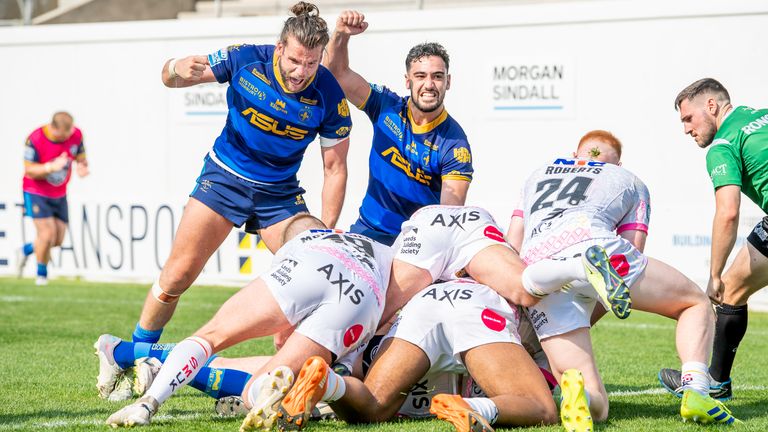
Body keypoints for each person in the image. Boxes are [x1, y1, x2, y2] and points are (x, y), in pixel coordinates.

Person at [123, 1, 352, 357]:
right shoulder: (246, 59)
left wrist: (329, 228)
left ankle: (295, 370)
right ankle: (137, 358)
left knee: (318, 266)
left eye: (311, 63)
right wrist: (174, 68)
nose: (300, 72)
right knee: (177, 276)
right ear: (280, 49)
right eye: (294, 60)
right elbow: (170, 79)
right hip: (225, 177)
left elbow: (335, 168)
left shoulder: (329, 94)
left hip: (280, 193)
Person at [507, 130, 739, 426]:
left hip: (540, 268)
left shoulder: (536, 175)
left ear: (575, 152)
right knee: (694, 303)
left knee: (599, 407)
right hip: (595, 247)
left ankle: (577, 393)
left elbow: (513, 243)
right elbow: (633, 249)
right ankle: (696, 391)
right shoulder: (627, 178)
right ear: (615, 162)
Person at [103, 214, 393, 429]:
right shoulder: (373, 246)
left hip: (310, 264)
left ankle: (147, 401)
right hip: (362, 296)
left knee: (210, 338)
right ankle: (287, 392)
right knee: (257, 387)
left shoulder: (302, 242)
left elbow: (281, 338)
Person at [271, 279, 559, 432]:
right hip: (475, 306)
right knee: (540, 407)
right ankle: (473, 408)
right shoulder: (502, 270)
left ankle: (331, 383)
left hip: (423, 305)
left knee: (373, 405)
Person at [658, 78, 768, 401]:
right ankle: (717, 380)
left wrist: (714, 276)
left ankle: (716, 384)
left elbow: (728, 213)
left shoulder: (723, 144)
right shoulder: (760, 116)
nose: (686, 130)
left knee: (730, 289)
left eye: (688, 118)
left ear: (712, 106)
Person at [324, 10, 473, 245]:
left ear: (448, 82)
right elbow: (334, 74)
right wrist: (341, 35)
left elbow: (446, 221)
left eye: (437, 76)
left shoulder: (455, 144)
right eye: (420, 76)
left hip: (414, 245)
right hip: (367, 233)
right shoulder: (386, 106)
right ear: (408, 81)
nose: (429, 84)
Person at [16, 111, 89, 285]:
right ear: (54, 129)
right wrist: (50, 167)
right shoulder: (35, 139)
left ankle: (26, 250)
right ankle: (41, 275)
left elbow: (80, 156)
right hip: (36, 191)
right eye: (64, 135)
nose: (68, 138)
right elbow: (29, 170)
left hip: (59, 193)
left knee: (57, 240)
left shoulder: (75, 134)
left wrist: (82, 167)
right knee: (47, 235)